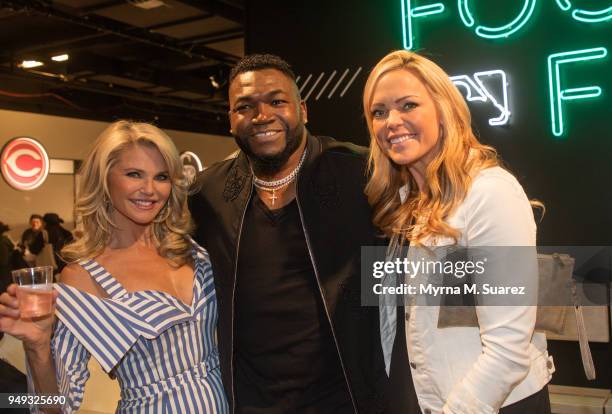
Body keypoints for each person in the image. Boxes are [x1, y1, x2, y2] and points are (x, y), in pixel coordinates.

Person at [189, 54, 388, 413]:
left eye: (277, 101)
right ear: (231, 120)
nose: (262, 116)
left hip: (349, 398)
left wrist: (504, 290)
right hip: (250, 401)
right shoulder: (208, 192)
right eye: (245, 107)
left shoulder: (361, 173)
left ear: (303, 110)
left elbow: (425, 248)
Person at [363, 50, 554, 414]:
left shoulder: (489, 192)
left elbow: (508, 349)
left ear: (443, 109)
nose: (392, 121)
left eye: (408, 105)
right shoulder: (404, 203)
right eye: (379, 111)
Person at [0, 121, 228, 413]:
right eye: (134, 174)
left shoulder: (192, 249)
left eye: (161, 176)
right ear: (104, 179)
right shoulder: (81, 278)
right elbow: (52, 405)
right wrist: (38, 347)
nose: (149, 189)